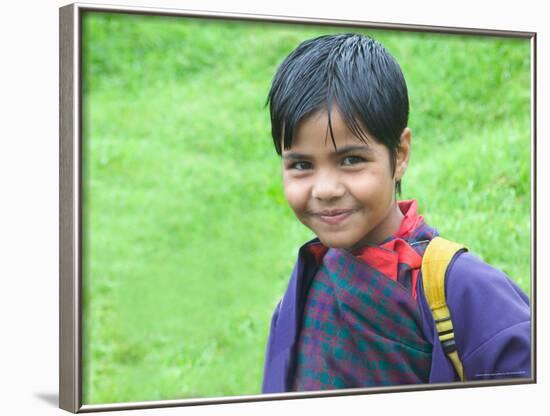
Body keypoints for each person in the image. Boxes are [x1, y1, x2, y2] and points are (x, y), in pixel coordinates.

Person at [261, 33, 531, 393]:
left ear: (399, 154)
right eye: (301, 165)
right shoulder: (302, 292)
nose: (325, 189)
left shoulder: (462, 291)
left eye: (351, 160)